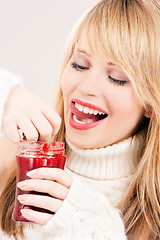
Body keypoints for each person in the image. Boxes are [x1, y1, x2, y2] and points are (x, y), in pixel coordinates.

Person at [0, 0, 160, 239]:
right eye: (79, 64)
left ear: (150, 101)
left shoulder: (153, 212)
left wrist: (93, 227)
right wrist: (7, 93)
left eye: (117, 78)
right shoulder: (14, 158)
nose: (86, 87)